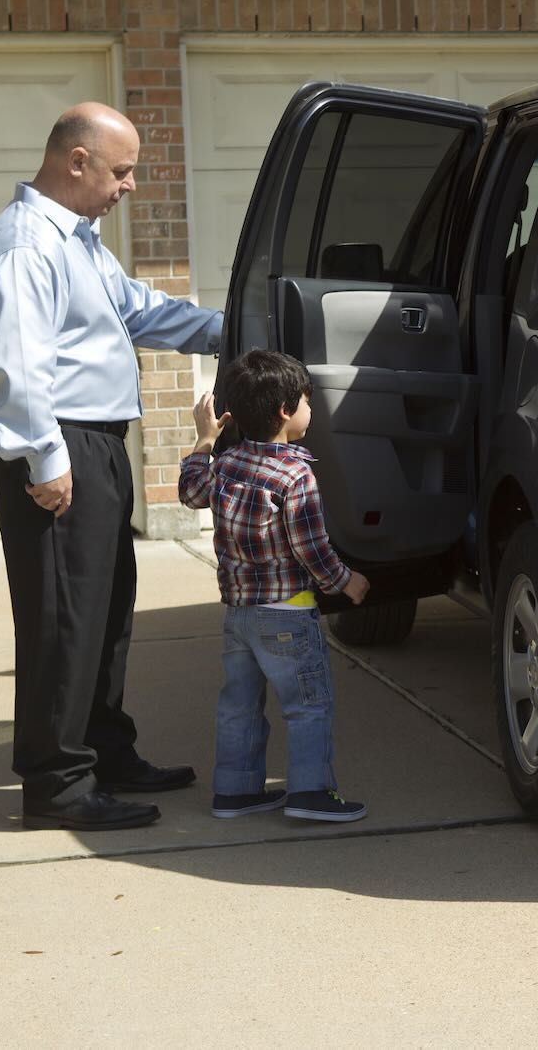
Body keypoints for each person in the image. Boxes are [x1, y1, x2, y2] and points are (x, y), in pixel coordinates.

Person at [0, 102, 222, 831]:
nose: (130, 185)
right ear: (77, 162)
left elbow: (137, 312)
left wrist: (237, 330)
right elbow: (16, 365)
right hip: (58, 446)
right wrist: (46, 458)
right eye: (123, 170)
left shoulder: (79, 242)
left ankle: (105, 750)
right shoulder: (23, 246)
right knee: (62, 621)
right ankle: (57, 785)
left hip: (98, 443)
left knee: (105, 614)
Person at [178, 350, 371, 822]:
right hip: (288, 613)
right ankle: (310, 794)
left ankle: (236, 791)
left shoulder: (225, 463)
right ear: (285, 411)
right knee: (308, 706)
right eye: (307, 400)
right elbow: (312, 549)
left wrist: (205, 440)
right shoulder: (294, 474)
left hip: (239, 617)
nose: (311, 409)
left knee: (238, 706)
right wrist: (348, 583)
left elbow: (190, 491)